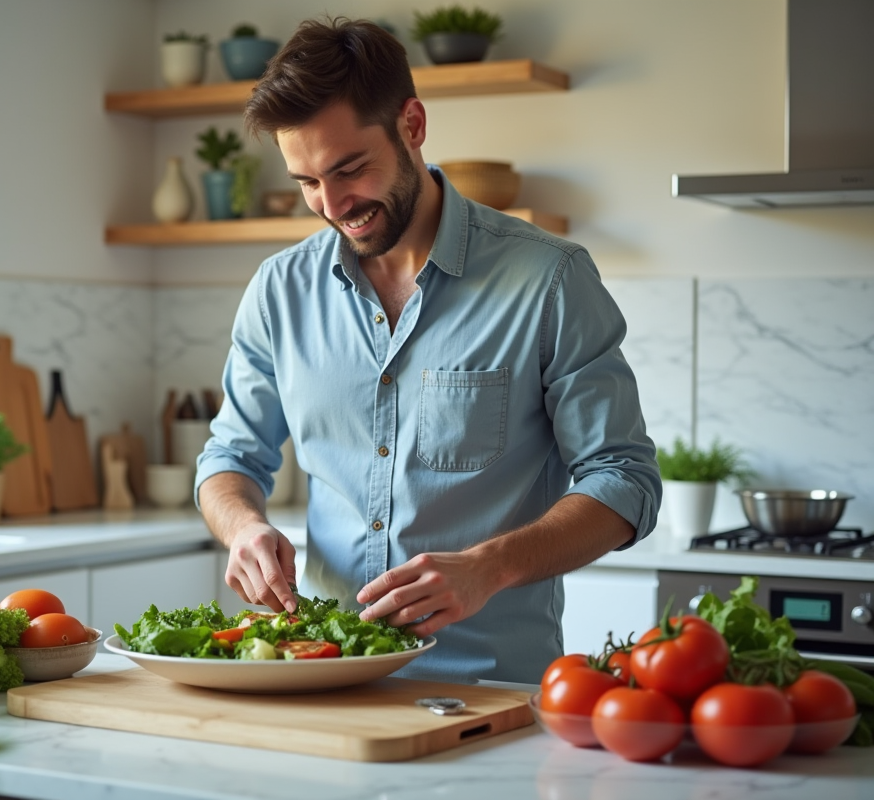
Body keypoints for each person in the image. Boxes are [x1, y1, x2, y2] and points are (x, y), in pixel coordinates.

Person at [194, 17, 660, 684]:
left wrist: (488, 566)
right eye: (306, 181)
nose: (331, 205)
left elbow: (625, 480)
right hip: (327, 684)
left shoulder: (549, 279)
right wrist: (242, 527)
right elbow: (230, 457)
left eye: (349, 168)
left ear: (411, 124)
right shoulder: (280, 290)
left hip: (491, 695)